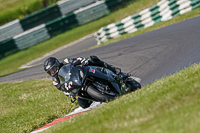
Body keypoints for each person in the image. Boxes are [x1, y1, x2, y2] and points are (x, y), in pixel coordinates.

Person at [43, 55, 121, 108]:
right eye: (50, 72)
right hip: (76, 86)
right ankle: (97, 96)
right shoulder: (56, 81)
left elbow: (77, 60)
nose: (53, 72)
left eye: (53, 69)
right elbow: (64, 90)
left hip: (82, 74)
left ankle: (113, 69)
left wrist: (82, 61)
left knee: (92, 59)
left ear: (57, 64)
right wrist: (70, 94)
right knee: (82, 104)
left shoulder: (66, 61)